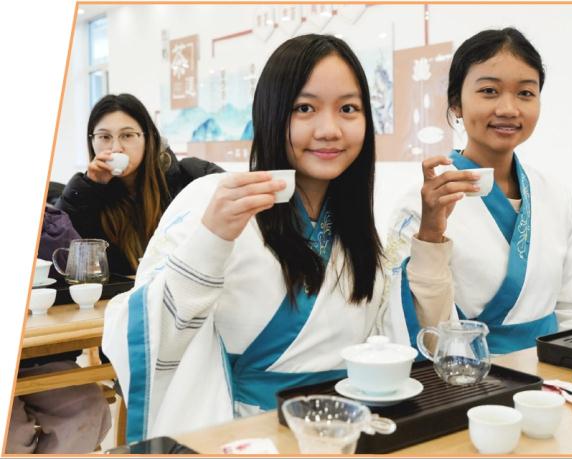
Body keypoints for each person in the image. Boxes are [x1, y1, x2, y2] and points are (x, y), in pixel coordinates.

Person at [102, 34, 411, 442]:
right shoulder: (210, 201)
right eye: (304, 108)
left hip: (341, 430)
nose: (330, 130)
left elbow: (391, 339)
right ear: (270, 114)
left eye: (348, 109)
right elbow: (142, 335)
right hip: (240, 433)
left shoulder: (356, 228)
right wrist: (211, 240)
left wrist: (429, 240)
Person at [387, 27, 572, 354]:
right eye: (489, 91)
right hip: (463, 374)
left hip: (551, 371)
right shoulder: (420, 204)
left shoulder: (555, 195)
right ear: (456, 103)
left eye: (525, 93)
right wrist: (430, 234)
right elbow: (418, 329)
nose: (508, 109)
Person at [56, 94, 224, 276]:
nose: (116, 148)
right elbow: (58, 251)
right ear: (92, 141)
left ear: (148, 137)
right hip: (116, 293)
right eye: (104, 137)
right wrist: (89, 187)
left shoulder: (191, 175)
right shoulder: (88, 194)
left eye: (127, 135)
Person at [6, 205, 111, 453]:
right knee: (12, 435)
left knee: (89, 410)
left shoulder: (50, 220)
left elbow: (78, 263)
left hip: (37, 356)